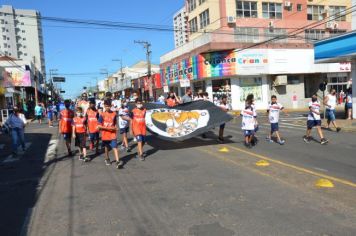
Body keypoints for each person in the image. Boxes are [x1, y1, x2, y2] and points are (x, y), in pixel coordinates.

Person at [97, 100, 123, 168]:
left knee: (115, 147)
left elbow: (114, 124)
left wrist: (115, 128)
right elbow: (99, 126)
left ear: (111, 106)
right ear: (104, 106)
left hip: (112, 134)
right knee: (106, 147)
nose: (107, 107)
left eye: (108, 106)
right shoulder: (102, 115)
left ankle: (117, 161)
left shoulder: (114, 114)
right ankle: (107, 158)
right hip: (105, 134)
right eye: (106, 106)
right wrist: (107, 128)